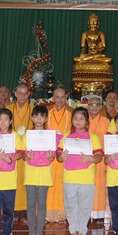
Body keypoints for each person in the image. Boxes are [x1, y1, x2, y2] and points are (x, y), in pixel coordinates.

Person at [57, 107, 103, 235]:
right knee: (70, 206)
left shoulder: (93, 137)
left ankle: (81, 232)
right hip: (69, 177)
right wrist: (61, 157)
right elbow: (58, 155)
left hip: (87, 179)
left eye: (81, 119)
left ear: (87, 121)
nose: (78, 121)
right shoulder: (66, 136)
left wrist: (91, 159)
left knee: (85, 207)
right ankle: (73, 232)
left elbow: (99, 156)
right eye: (75, 118)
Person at [24, 105, 55, 235]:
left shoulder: (50, 135)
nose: (39, 119)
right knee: (31, 204)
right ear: (32, 118)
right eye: (36, 116)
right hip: (30, 171)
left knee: (42, 204)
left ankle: (39, 232)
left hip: (44, 172)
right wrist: (26, 156)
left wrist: (50, 157)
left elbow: (53, 155)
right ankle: (31, 232)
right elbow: (23, 154)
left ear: (46, 118)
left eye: (42, 116)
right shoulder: (27, 135)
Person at [7, 83, 33, 222]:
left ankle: (24, 210)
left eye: (25, 93)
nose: (22, 96)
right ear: (15, 94)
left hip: (28, 150)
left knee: (26, 179)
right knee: (13, 179)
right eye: (20, 93)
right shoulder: (8, 109)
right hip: (13, 149)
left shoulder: (33, 109)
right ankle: (12, 209)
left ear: (29, 94)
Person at [46, 87, 71, 224]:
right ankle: (47, 214)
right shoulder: (47, 114)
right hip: (49, 155)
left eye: (62, 97)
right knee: (49, 183)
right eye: (57, 96)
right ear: (53, 98)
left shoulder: (71, 114)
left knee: (62, 184)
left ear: (66, 97)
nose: (60, 100)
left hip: (63, 154)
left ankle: (61, 214)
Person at [86, 95, 110, 224]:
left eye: (97, 105)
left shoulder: (106, 122)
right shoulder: (83, 120)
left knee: (99, 186)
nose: (94, 107)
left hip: (100, 159)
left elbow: (110, 142)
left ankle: (98, 215)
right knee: (86, 186)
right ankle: (86, 214)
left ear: (101, 107)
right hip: (85, 159)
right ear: (87, 106)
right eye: (91, 105)